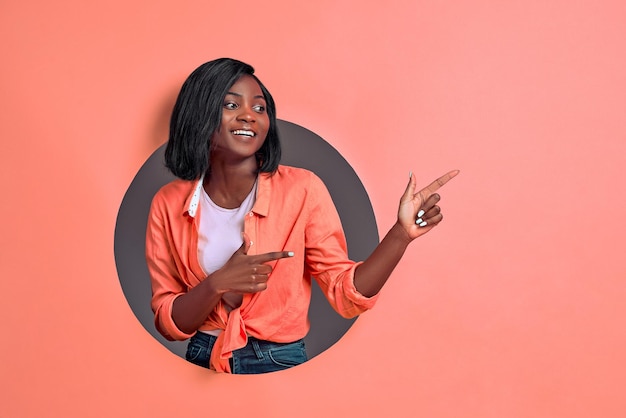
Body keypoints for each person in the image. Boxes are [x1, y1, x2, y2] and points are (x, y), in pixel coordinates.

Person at [146, 58, 459, 374]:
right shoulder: (168, 203)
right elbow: (170, 322)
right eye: (231, 104)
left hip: (278, 362)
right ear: (200, 113)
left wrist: (401, 235)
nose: (249, 116)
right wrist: (216, 284)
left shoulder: (303, 189)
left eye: (259, 108)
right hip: (200, 359)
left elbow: (344, 295)